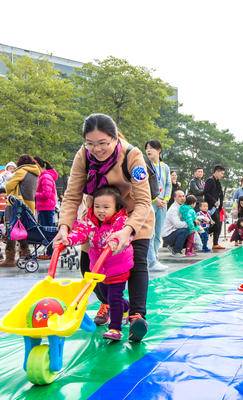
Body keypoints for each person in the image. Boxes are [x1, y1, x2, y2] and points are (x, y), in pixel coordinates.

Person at [54, 113, 154, 342]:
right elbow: (71, 196)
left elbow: (143, 201)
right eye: (90, 144)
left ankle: (137, 315)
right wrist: (64, 228)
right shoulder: (84, 156)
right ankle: (110, 303)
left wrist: (127, 231)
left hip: (131, 217)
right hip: (96, 220)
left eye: (102, 143)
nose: (96, 149)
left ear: (115, 137)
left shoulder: (132, 155)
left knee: (136, 263)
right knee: (89, 267)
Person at [66, 185, 133, 340]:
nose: (101, 210)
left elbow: (125, 236)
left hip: (118, 268)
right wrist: (69, 239)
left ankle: (115, 328)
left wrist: (115, 241)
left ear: (116, 207)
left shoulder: (121, 222)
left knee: (113, 298)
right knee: (104, 296)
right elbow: (81, 232)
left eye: (106, 207)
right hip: (98, 269)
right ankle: (126, 307)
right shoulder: (90, 221)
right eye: (97, 206)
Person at [0, 154, 41, 267]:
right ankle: (25, 255)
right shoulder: (35, 173)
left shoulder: (22, 171)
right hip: (29, 204)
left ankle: (9, 258)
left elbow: (9, 186)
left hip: (16, 205)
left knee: (11, 230)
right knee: (22, 230)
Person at [145, 140, 172, 272]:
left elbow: (168, 184)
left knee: (158, 233)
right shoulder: (145, 165)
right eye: (147, 148)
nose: (148, 150)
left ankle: (154, 257)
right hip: (150, 202)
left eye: (152, 148)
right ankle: (151, 260)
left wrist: (165, 199)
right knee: (150, 232)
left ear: (159, 150)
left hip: (163, 203)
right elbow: (145, 185)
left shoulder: (165, 167)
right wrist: (155, 199)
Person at [204, 165, 226, 250]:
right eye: (221, 173)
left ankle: (215, 243)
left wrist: (220, 205)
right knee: (215, 224)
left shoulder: (218, 182)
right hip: (210, 207)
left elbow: (220, 194)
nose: (222, 175)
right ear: (216, 171)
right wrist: (214, 201)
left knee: (218, 224)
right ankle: (213, 241)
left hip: (216, 207)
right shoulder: (210, 180)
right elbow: (206, 193)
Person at [162, 189, 189, 255]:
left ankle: (173, 246)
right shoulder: (173, 209)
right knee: (184, 231)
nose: (182, 198)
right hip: (168, 235)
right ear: (175, 198)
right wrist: (189, 224)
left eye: (183, 196)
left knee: (192, 231)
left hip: (175, 232)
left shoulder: (183, 207)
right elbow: (178, 225)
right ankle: (176, 251)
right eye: (180, 196)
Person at [34, 157, 58, 228]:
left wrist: (33, 194)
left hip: (46, 208)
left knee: (47, 229)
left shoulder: (45, 177)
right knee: (46, 229)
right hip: (44, 207)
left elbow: (46, 194)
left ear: (37, 164)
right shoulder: (43, 176)